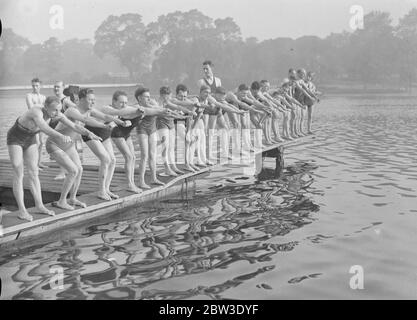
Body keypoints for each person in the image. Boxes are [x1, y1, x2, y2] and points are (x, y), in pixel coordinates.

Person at [7, 96, 72, 221]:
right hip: (15, 138)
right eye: (54, 110)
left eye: (59, 110)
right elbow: (44, 128)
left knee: (34, 172)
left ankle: (40, 206)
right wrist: (60, 136)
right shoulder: (36, 111)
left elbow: (73, 125)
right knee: (18, 171)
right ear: (46, 107)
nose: (57, 113)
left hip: (30, 139)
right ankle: (22, 210)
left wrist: (88, 132)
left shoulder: (56, 114)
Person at [107, 90, 172, 193]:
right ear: (114, 101)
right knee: (129, 157)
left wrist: (163, 111)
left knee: (132, 157)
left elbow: (150, 110)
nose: (124, 105)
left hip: (126, 134)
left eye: (125, 102)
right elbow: (116, 115)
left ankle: (132, 183)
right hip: (116, 134)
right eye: (121, 102)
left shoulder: (132, 108)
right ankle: (130, 184)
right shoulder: (109, 108)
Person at [45, 101, 103, 210]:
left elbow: (78, 126)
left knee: (79, 169)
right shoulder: (72, 111)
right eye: (89, 100)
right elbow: (78, 124)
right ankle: (61, 201)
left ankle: (72, 198)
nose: (92, 103)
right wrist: (90, 132)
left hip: (69, 145)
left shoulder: (86, 113)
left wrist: (90, 133)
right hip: (55, 145)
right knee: (73, 171)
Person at [78, 88, 129, 201]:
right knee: (105, 159)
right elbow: (87, 121)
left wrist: (120, 122)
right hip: (91, 133)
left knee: (113, 160)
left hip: (104, 134)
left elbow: (105, 117)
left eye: (94, 100)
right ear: (81, 99)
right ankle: (101, 191)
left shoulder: (91, 109)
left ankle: (106, 189)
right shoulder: (79, 110)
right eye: (90, 99)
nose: (93, 102)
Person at [135, 86, 175, 189]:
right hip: (142, 130)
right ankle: (141, 181)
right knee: (144, 156)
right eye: (146, 97)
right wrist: (160, 110)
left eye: (149, 96)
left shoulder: (152, 103)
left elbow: (159, 109)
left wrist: (174, 113)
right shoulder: (137, 106)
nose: (148, 98)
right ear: (139, 98)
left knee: (153, 154)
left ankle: (153, 178)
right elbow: (153, 111)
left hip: (152, 130)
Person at [156, 86, 191, 177]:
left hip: (170, 123)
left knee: (171, 147)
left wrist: (184, 114)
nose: (166, 98)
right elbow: (165, 112)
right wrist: (180, 116)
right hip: (162, 124)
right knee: (165, 147)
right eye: (164, 96)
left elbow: (176, 108)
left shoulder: (169, 101)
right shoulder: (157, 102)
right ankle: (167, 168)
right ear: (161, 95)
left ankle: (174, 167)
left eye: (168, 96)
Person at [197, 61, 222, 162]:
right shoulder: (200, 82)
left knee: (211, 132)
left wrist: (219, 107)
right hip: (206, 107)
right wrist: (214, 103)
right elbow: (206, 95)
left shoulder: (218, 80)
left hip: (215, 107)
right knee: (204, 132)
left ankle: (209, 155)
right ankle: (202, 156)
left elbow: (219, 95)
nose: (205, 71)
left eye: (207, 68)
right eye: (204, 69)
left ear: (212, 68)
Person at [25, 78, 47, 169]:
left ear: (40, 86)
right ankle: (33, 165)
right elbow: (31, 107)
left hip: (42, 121)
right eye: (33, 85)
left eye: (36, 85)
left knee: (41, 142)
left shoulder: (43, 97)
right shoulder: (29, 95)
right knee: (36, 143)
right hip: (32, 122)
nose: (34, 87)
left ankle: (39, 162)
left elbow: (46, 110)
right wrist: (43, 106)